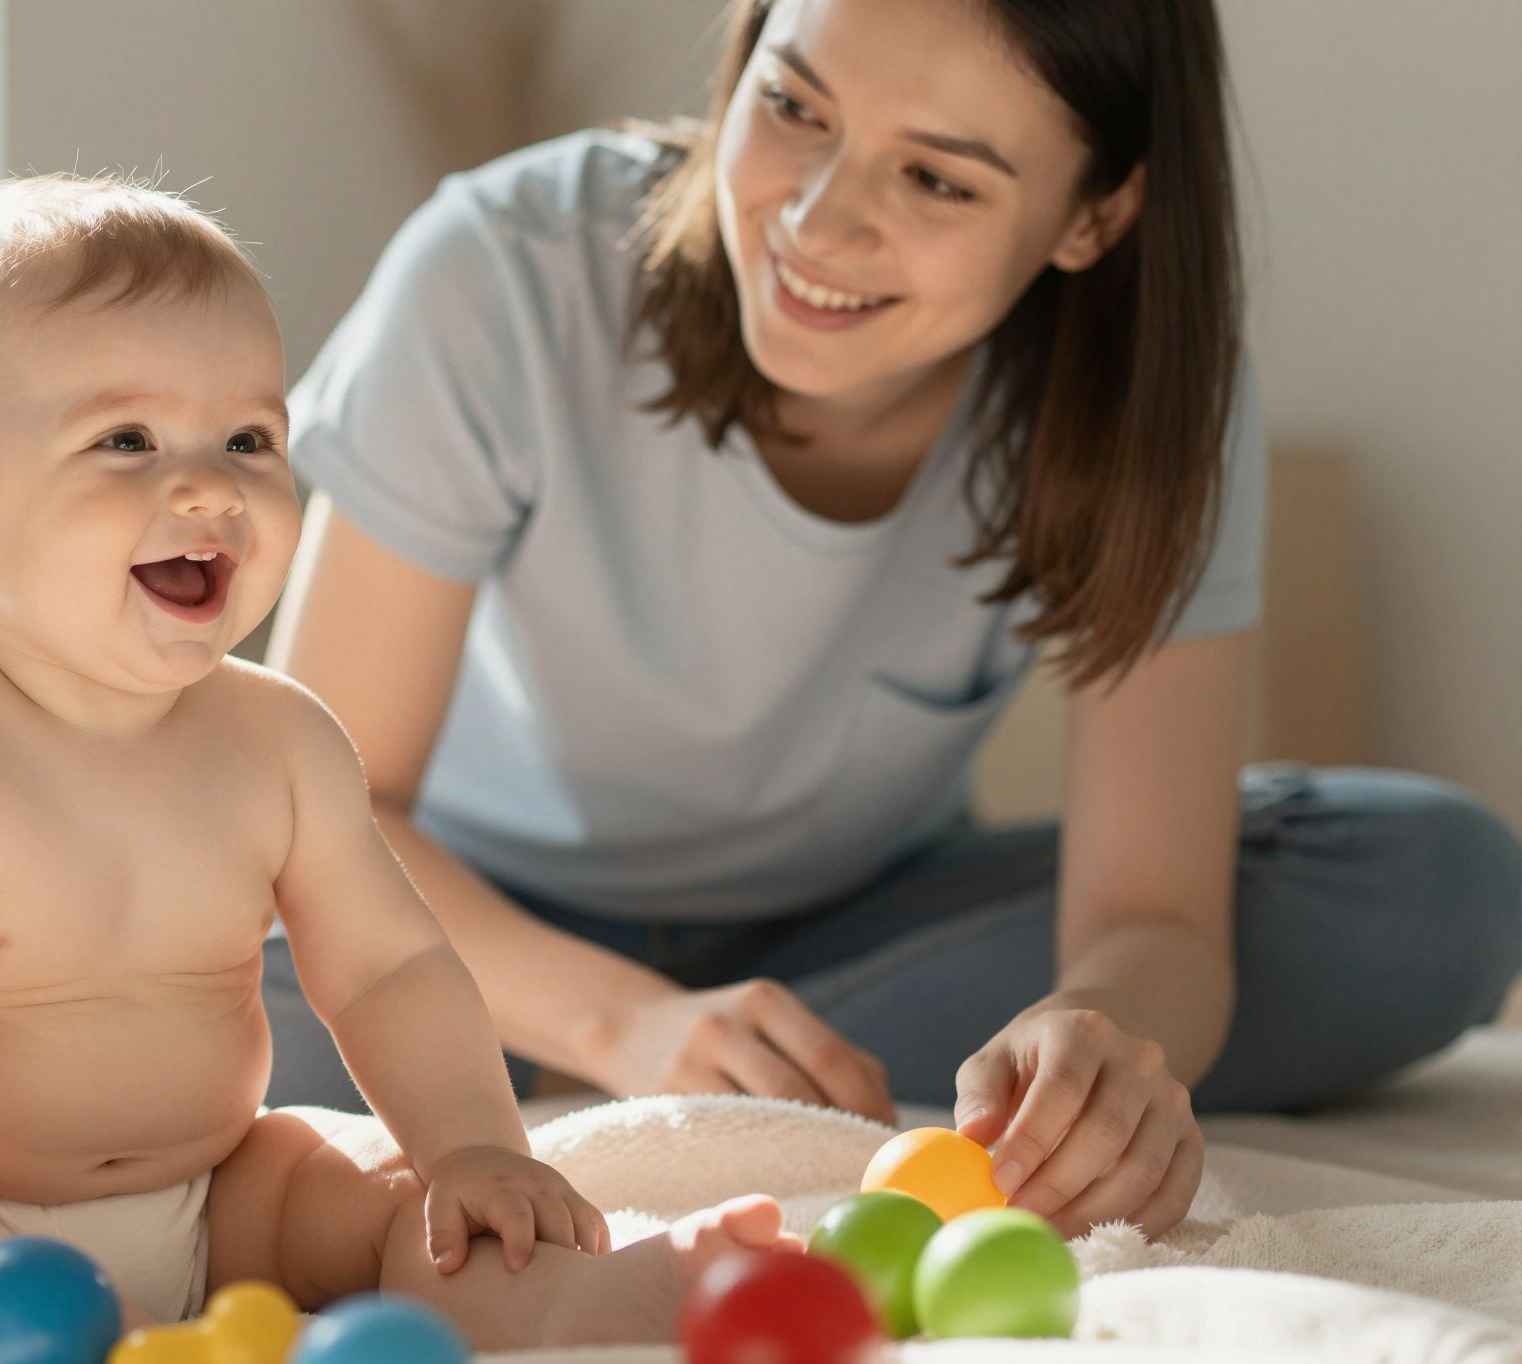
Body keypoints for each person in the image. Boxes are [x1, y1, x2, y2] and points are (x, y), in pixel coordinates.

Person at [264, 0, 1522, 1241]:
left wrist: (1096, 1040)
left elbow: (1155, 917)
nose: (815, 220)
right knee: (195, 989)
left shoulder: (1151, 407)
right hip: (454, 921)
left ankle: (740, 1066)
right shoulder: (500, 269)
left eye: (935, 179)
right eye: (792, 104)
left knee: (1434, 884)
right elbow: (328, 820)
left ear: (1093, 214)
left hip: (871, 917)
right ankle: (653, 1062)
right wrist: (620, 1022)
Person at [0, 174, 800, 1364]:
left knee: (401, 1199)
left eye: (249, 439)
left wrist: (472, 1145)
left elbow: (388, 970)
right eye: (126, 442)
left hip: (221, 1196)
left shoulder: (281, 742)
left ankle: (575, 1304)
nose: (210, 487)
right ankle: (17, 1328)